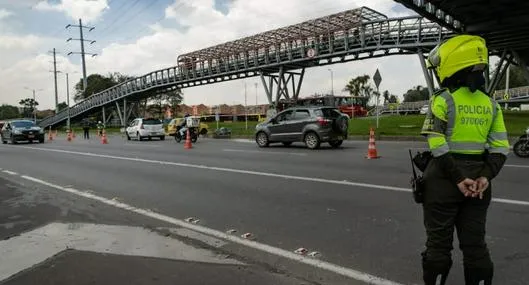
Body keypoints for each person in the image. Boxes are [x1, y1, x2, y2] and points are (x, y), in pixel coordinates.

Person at [419, 34, 510, 285]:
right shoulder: (492, 105)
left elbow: (436, 142)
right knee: (475, 246)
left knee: (438, 246)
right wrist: (484, 177)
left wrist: (459, 178)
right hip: (480, 184)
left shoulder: (443, 99)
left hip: (444, 182)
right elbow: (501, 148)